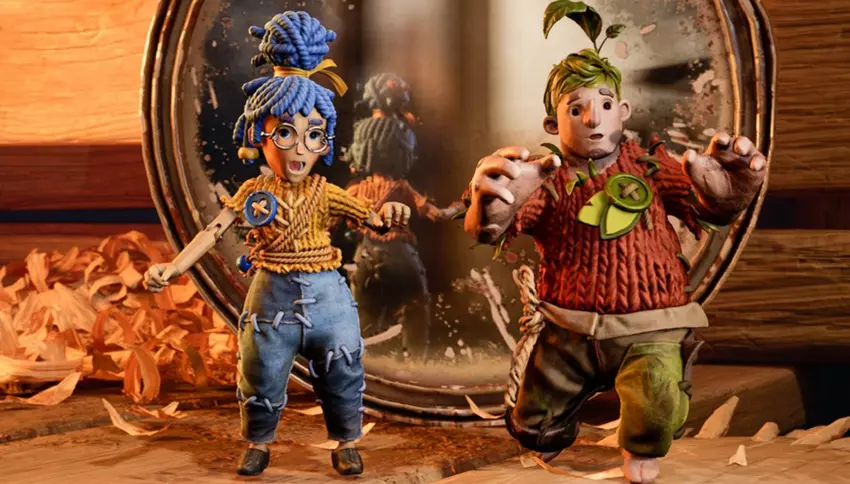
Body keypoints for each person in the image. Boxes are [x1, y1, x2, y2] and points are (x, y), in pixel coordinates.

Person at [462, 3, 766, 483]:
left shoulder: (651, 167)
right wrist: (491, 206)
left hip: (650, 324)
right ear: (552, 123)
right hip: (569, 331)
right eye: (575, 108)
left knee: (656, 398)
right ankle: (546, 431)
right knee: (534, 425)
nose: (592, 118)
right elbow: (494, 227)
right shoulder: (547, 179)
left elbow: (703, 205)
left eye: (604, 104)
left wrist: (727, 197)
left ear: (623, 112)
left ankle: (644, 442)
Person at [143, 11, 411, 477]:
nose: (299, 149)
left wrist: (390, 214)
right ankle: (258, 443)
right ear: (258, 134)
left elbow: (372, 217)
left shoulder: (327, 192)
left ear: (324, 140)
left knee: (343, 371)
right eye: (285, 133)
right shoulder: (252, 193)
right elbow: (213, 232)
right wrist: (174, 268)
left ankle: (346, 442)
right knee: (260, 374)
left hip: (328, 299)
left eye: (313, 135)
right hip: (270, 300)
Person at [342, 73, 464, 360]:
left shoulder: (354, 191)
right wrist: (461, 206)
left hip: (365, 256)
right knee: (415, 306)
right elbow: (437, 214)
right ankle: (414, 365)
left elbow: (326, 221)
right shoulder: (402, 189)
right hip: (401, 255)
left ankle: (363, 369)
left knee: (362, 318)